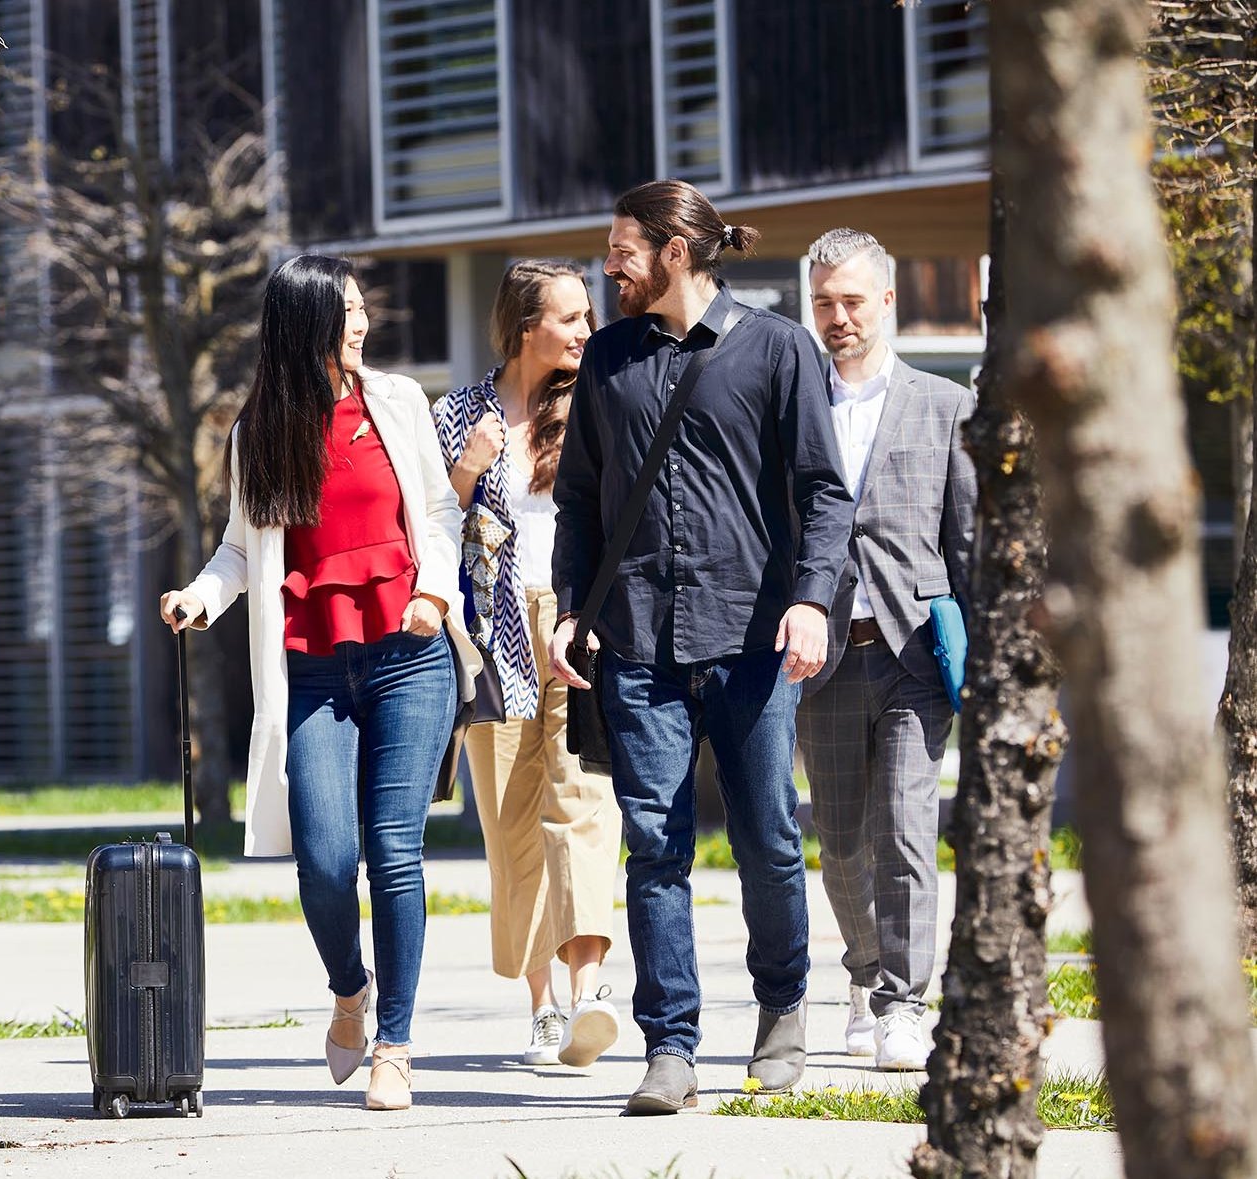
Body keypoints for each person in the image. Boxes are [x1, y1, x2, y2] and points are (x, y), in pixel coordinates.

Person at [548, 180, 854, 1114]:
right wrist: (571, 609)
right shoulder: (605, 360)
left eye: (622, 249)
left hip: (753, 639)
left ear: (676, 250)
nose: (609, 265)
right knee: (655, 845)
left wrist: (810, 600)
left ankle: (781, 1009)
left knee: (766, 835)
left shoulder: (777, 348)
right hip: (638, 639)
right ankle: (670, 1045)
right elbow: (579, 503)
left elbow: (824, 492)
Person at [159, 254, 477, 1112]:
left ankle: (396, 1044)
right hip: (311, 669)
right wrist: (201, 596)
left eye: (362, 305)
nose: (361, 321)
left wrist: (433, 592)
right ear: (303, 324)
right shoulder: (256, 432)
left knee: (394, 851)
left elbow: (439, 517)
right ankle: (349, 987)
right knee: (327, 860)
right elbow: (239, 547)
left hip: (409, 655)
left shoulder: (400, 402)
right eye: (344, 310)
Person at [793, 228, 975, 1072]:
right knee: (839, 841)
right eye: (824, 301)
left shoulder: (945, 407)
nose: (837, 317)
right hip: (822, 659)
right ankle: (863, 974)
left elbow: (966, 541)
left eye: (852, 301)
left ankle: (907, 1001)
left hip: (909, 653)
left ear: (888, 302)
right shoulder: (793, 405)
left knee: (906, 828)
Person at [432, 261, 622, 1069]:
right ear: (523, 328)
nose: (586, 330)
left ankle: (589, 994)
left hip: (576, 617)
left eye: (587, 316)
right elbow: (430, 523)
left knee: (582, 799)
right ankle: (543, 1005)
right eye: (571, 318)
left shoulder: (598, 401)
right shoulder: (455, 414)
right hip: (492, 628)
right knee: (512, 825)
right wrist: (470, 466)